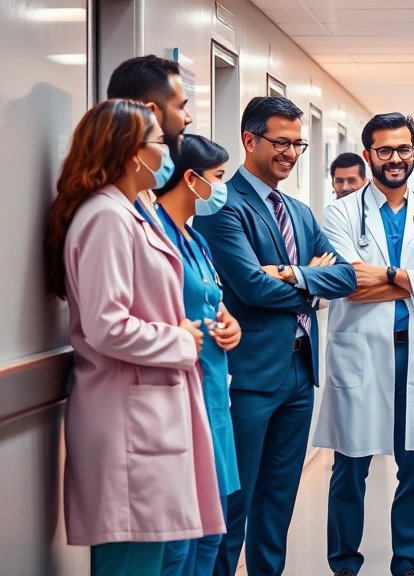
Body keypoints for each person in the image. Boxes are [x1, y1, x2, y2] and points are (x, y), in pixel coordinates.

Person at [43, 99, 223, 576]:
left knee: (153, 557)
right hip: (126, 419)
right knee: (132, 562)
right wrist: (181, 340)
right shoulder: (106, 217)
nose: (167, 152)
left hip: (146, 411)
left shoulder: (130, 211)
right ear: (131, 152)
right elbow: (107, 324)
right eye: (160, 143)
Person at [192, 97, 358, 576]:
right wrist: (311, 285)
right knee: (235, 499)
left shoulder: (300, 212)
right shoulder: (223, 206)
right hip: (249, 375)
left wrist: (288, 273)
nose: (290, 152)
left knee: (279, 500)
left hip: (299, 373)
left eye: (297, 143)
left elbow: (345, 276)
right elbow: (249, 286)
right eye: (280, 142)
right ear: (250, 140)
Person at [314, 113, 414, 576]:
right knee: (350, 467)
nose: (395, 158)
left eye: (403, 149)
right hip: (362, 351)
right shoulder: (340, 212)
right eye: (384, 150)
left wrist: (389, 277)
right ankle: (344, 563)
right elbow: (346, 282)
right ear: (368, 155)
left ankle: (408, 561)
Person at [153, 134, 244, 576]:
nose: (221, 189)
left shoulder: (196, 239)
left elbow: (213, 302)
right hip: (181, 399)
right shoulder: (155, 237)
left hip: (214, 395)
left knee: (213, 527)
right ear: (191, 179)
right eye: (218, 178)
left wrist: (230, 324)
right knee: (181, 534)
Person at [106, 55, 194, 218]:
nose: (188, 118)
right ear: (150, 113)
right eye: (181, 107)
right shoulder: (108, 212)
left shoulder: (144, 193)